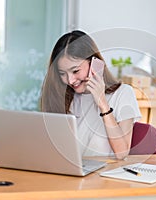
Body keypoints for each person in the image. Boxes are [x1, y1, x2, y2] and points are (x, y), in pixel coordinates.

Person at [40, 30, 141, 159]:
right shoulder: (65, 96)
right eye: (62, 73)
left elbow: (122, 153)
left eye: (75, 71)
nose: (70, 80)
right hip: (67, 174)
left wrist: (103, 105)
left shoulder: (123, 93)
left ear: (94, 62)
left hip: (103, 177)